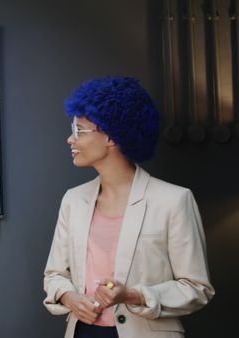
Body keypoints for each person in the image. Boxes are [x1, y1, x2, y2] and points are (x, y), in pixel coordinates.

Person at [43, 76, 214, 338]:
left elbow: (196, 288)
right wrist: (68, 297)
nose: (70, 139)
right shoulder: (73, 200)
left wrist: (134, 295)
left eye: (79, 130)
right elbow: (54, 274)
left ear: (111, 136)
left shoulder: (174, 201)